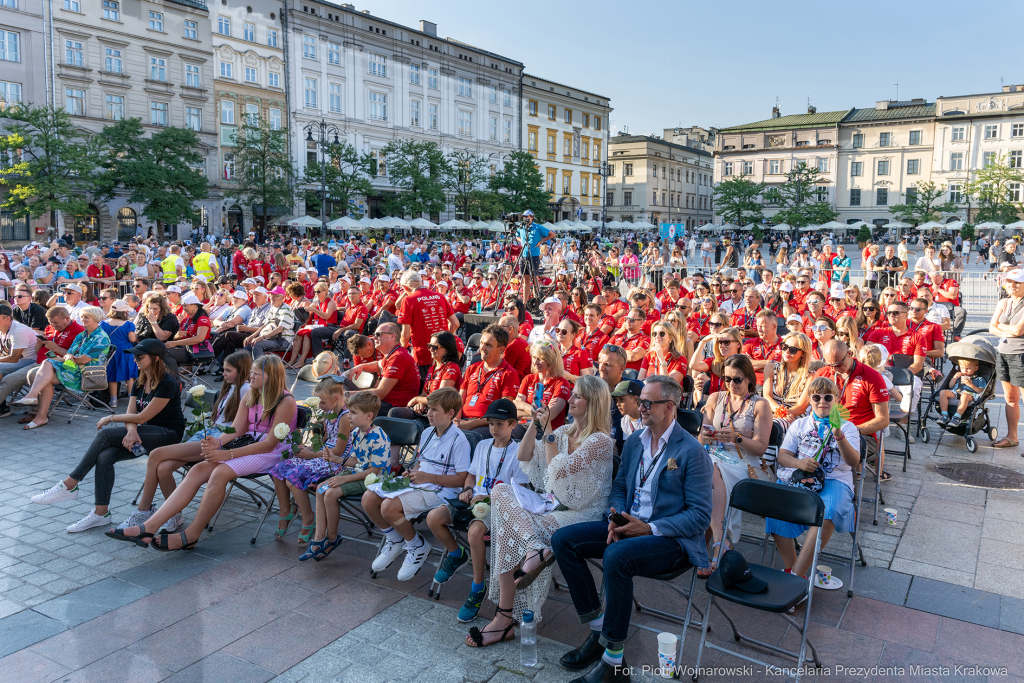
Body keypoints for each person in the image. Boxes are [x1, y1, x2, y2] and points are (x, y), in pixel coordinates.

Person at [550, 375, 711, 682]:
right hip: (628, 525)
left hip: (671, 540)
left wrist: (649, 528)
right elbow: (620, 485)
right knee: (564, 540)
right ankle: (599, 634)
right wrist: (615, 515)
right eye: (640, 401)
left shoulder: (691, 451)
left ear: (669, 407)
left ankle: (614, 664)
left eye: (648, 402)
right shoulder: (636, 439)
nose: (641, 406)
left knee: (616, 557)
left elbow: (700, 517)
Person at [468, 375, 613, 648]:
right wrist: (535, 426)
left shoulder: (600, 441)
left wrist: (547, 431)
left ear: (593, 402)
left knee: (506, 528)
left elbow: (557, 473)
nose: (570, 399)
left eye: (578, 396)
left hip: (582, 516)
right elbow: (523, 455)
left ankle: (504, 618)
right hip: (552, 509)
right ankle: (534, 547)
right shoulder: (566, 432)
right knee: (500, 492)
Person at [108, 354, 298, 550]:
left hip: (273, 450)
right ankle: (148, 527)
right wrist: (217, 441)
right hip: (247, 443)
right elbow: (237, 429)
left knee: (220, 472)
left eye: (256, 374)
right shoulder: (251, 394)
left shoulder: (285, 401)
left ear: (271, 377)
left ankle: (191, 535)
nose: (250, 377)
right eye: (251, 372)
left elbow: (269, 444)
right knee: (197, 470)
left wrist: (227, 454)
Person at [30, 339, 185, 532]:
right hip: (144, 434)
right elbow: (132, 414)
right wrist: (131, 430)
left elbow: (143, 416)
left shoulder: (167, 383)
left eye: (140, 356)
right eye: (134, 356)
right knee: (105, 456)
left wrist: (111, 418)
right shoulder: (140, 380)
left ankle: (70, 483)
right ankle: (100, 513)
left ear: (155, 359)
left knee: (106, 435)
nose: (135, 359)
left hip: (168, 435)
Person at [116, 351, 252, 534]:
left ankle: (143, 510)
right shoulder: (232, 387)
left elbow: (241, 427)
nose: (224, 374)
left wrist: (217, 440)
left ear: (241, 370)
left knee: (156, 454)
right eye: (224, 370)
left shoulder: (246, 389)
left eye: (228, 370)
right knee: (163, 468)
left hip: (220, 441)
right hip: (209, 433)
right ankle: (174, 516)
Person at [427, 398, 529, 622]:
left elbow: (518, 490)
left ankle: (477, 587)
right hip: (474, 500)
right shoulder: (483, 445)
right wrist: (468, 488)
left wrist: (488, 496)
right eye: (491, 423)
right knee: (434, 517)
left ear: (513, 424)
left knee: (474, 533)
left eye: (500, 424)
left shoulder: (518, 452)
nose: (493, 429)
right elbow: (472, 474)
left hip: (499, 505)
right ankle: (456, 554)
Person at [365, 387, 471, 580]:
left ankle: (417, 546)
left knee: (389, 507)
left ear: (450, 413)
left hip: (442, 490)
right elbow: (422, 462)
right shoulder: (428, 432)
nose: (428, 413)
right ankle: (395, 539)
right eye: (429, 408)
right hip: (422, 483)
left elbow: (462, 479)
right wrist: (413, 471)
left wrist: (427, 477)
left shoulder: (459, 441)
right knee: (369, 499)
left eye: (434, 410)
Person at [767, 376, 859, 578]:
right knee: (774, 508)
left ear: (836, 400)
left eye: (828, 397)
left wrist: (838, 435)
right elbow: (783, 456)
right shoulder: (799, 425)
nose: (822, 401)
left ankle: (796, 577)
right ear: (809, 399)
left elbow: (853, 462)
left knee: (826, 511)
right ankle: (795, 571)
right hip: (803, 478)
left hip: (836, 480)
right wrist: (799, 463)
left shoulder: (847, 427)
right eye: (816, 397)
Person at [695, 354, 772, 577]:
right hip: (714, 456)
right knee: (707, 469)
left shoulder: (760, 405)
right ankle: (720, 541)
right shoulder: (716, 398)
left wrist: (736, 437)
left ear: (749, 378)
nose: (731, 384)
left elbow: (760, 448)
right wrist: (707, 437)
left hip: (744, 461)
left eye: (737, 379)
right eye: (727, 379)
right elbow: (701, 439)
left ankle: (714, 543)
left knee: (711, 471)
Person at [302, 390, 390, 561]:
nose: (348, 416)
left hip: (373, 479)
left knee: (331, 493)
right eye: (349, 411)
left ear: (368, 415)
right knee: (321, 489)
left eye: (353, 413)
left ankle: (332, 538)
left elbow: (374, 471)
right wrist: (336, 459)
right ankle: (319, 538)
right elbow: (356, 460)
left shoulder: (379, 437)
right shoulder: (358, 432)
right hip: (359, 472)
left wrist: (344, 478)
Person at [269, 375, 353, 544]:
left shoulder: (345, 417)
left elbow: (338, 450)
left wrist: (310, 455)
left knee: (293, 477)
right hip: (323, 454)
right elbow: (325, 441)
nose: (320, 406)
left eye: (322, 402)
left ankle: (308, 518)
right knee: (277, 470)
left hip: (335, 461)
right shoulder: (330, 413)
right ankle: (286, 510)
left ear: (337, 397)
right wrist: (308, 448)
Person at [14, 306, 111, 430]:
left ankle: (37, 408)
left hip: (86, 374)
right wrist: (69, 356)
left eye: (86, 317)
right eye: (82, 316)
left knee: (45, 372)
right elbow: (68, 354)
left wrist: (69, 357)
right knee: (47, 364)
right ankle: (38, 411)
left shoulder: (101, 337)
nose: (83, 319)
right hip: (73, 368)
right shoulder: (82, 335)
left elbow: (83, 360)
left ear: (96, 318)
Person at [456, 324, 521, 437]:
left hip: (488, 425)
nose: (482, 348)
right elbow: (459, 400)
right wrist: (455, 422)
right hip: (464, 421)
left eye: (488, 345)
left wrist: (470, 424)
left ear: (500, 349)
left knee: (468, 438)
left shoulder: (509, 374)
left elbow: (502, 412)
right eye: (481, 343)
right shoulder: (472, 368)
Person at [344, 321, 419, 415]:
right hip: (386, 401)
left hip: (394, 406)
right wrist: (361, 366)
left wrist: (346, 395)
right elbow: (378, 365)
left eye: (379, 334)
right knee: (341, 381)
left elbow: (380, 393)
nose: (374, 337)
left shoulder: (398, 357)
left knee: (349, 408)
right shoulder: (392, 354)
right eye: (375, 334)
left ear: (392, 336)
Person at [389, 330, 462, 424]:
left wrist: (416, 399)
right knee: (394, 412)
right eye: (429, 346)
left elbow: (440, 399)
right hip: (427, 409)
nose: (431, 349)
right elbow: (424, 394)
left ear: (447, 349)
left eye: (435, 347)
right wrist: (419, 403)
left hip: (440, 412)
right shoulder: (432, 368)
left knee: (415, 424)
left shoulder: (452, 368)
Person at [398, 270, 459, 376]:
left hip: (424, 353)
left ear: (406, 287)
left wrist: (402, 350)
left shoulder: (408, 300)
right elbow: (455, 323)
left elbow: (405, 334)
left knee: (426, 388)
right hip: (444, 351)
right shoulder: (440, 296)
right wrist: (446, 340)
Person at [989, 268, 1024, 449]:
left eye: (1017, 282)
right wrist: (1006, 329)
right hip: (1004, 353)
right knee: (1010, 398)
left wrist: (1001, 326)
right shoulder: (1003, 302)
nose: (1013, 285)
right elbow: (991, 328)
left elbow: (1019, 331)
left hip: (1021, 354)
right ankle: (1012, 437)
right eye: (1010, 282)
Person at [763, 332, 813, 432]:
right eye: (785, 347)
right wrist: (780, 414)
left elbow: (801, 407)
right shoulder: (770, 368)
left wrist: (783, 415)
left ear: (803, 353)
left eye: (793, 350)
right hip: (772, 414)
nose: (787, 351)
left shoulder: (810, 376)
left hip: (794, 417)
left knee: (776, 425)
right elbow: (767, 397)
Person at [100, 300, 138, 408]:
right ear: (124, 312)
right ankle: (132, 399)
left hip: (110, 351)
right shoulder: (128, 324)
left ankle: (113, 401)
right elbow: (132, 338)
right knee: (129, 374)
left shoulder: (103, 323)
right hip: (125, 350)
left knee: (112, 375)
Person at [245, 287, 296, 358]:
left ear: (282, 298)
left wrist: (261, 338)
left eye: (275, 296)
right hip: (272, 338)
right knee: (248, 342)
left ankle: (258, 367)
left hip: (283, 340)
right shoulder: (272, 308)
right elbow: (265, 325)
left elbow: (279, 329)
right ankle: (249, 366)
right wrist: (251, 337)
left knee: (257, 344)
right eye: (271, 295)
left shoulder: (286, 309)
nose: (272, 298)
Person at [518, 209, 556, 302]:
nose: (525, 218)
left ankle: (537, 300)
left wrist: (541, 242)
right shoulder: (521, 227)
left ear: (532, 217)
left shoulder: (538, 227)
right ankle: (525, 303)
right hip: (523, 255)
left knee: (535, 279)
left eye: (527, 216)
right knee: (525, 280)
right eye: (524, 217)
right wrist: (521, 241)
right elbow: (517, 235)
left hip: (534, 255)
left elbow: (552, 234)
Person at [0, 303, 39, 377]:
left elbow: (14, 358)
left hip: (30, 361)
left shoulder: (19, 330)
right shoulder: (2, 328)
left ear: (7, 319)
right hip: (17, 360)